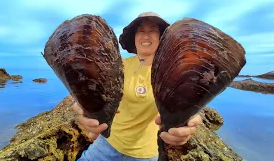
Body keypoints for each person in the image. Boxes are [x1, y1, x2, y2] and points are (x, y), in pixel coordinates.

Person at [73, 12, 202, 161]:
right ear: (134, 37)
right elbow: (90, 84)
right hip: (107, 145)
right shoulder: (118, 66)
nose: (146, 36)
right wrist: (83, 102)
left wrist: (189, 117)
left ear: (161, 37)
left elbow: (187, 100)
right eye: (140, 30)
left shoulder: (170, 74)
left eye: (152, 30)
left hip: (144, 155)